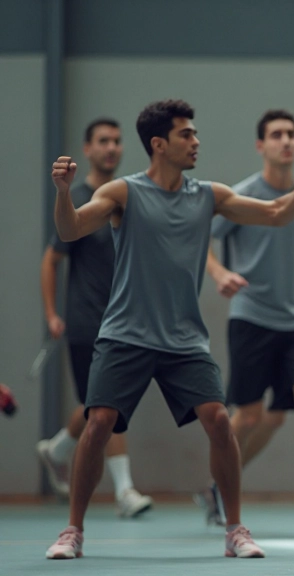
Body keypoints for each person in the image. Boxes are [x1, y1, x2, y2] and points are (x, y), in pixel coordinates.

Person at [45, 99, 294, 560]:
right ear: (159, 144)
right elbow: (71, 229)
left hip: (184, 341)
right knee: (98, 424)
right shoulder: (123, 194)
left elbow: (275, 214)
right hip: (124, 335)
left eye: (194, 134)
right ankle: (72, 530)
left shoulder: (208, 196)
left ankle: (235, 528)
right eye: (186, 135)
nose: (196, 142)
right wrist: (61, 191)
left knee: (218, 420)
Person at [197, 109, 294, 532]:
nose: (285, 140)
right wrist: (219, 274)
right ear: (260, 145)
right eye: (276, 134)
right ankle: (217, 487)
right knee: (249, 417)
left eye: (291, 133)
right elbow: (204, 243)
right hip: (250, 318)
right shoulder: (243, 196)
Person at [35, 118, 152, 518]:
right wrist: (52, 313)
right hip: (87, 322)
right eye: (103, 141)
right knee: (107, 404)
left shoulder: (122, 198)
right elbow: (51, 261)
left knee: (95, 403)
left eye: (117, 142)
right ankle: (124, 492)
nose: (112, 148)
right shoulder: (81, 199)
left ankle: (58, 449)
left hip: (123, 321)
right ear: (88, 149)